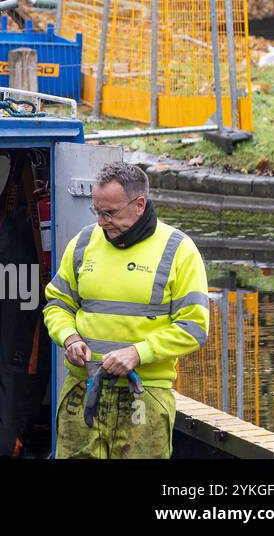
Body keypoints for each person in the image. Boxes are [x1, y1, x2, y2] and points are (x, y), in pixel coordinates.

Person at [43, 161, 209, 458]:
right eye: (97, 211)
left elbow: (193, 328)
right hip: (82, 391)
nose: (102, 222)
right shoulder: (83, 243)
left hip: (143, 395)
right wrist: (69, 337)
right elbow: (58, 303)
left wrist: (138, 353)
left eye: (110, 213)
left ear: (139, 205)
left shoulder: (179, 251)